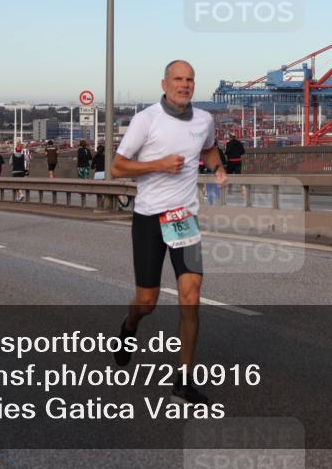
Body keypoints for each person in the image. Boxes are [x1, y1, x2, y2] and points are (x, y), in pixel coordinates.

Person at [110, 60, 227, 405]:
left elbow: (208, 148)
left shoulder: (204, 120)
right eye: (178, 79)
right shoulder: (146, 120)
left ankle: (183, 381)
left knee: (191, 297)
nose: (184, 84)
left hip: (183, 218)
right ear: (164, 84)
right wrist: (158, 164)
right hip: (149, 218)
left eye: (190, 79)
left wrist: (217, 168)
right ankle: (129, 326)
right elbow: (117, 167)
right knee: (147, 302)